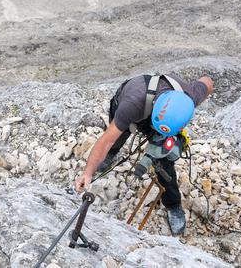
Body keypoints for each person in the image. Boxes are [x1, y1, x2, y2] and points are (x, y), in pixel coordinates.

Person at [75, 73, 214, 235]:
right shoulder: (131, 105)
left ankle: (173, 204)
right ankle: (110, 155)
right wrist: (87, 173)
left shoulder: (190, 95)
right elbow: (106, 140)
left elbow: (208, 82)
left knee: (163, 160)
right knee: (118, 134)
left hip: (162, 116)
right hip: (133, 103)